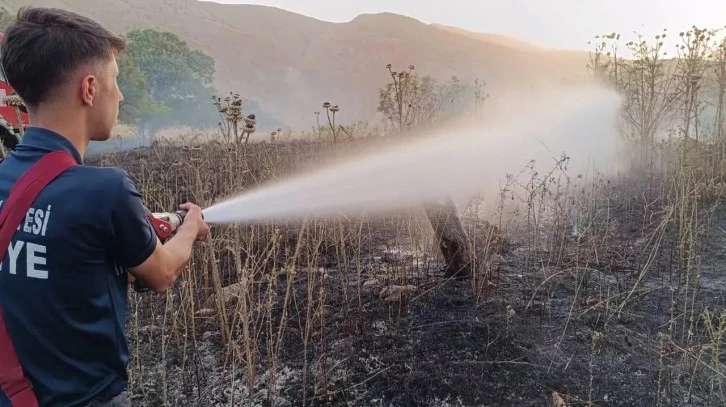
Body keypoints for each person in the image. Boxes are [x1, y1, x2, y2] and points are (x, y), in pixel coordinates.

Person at [0, 6, 210, 407]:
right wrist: (190, 226)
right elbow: (162, 274)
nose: (121, 95)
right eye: (115, 81)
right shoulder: (106, 189)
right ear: (90, 88)